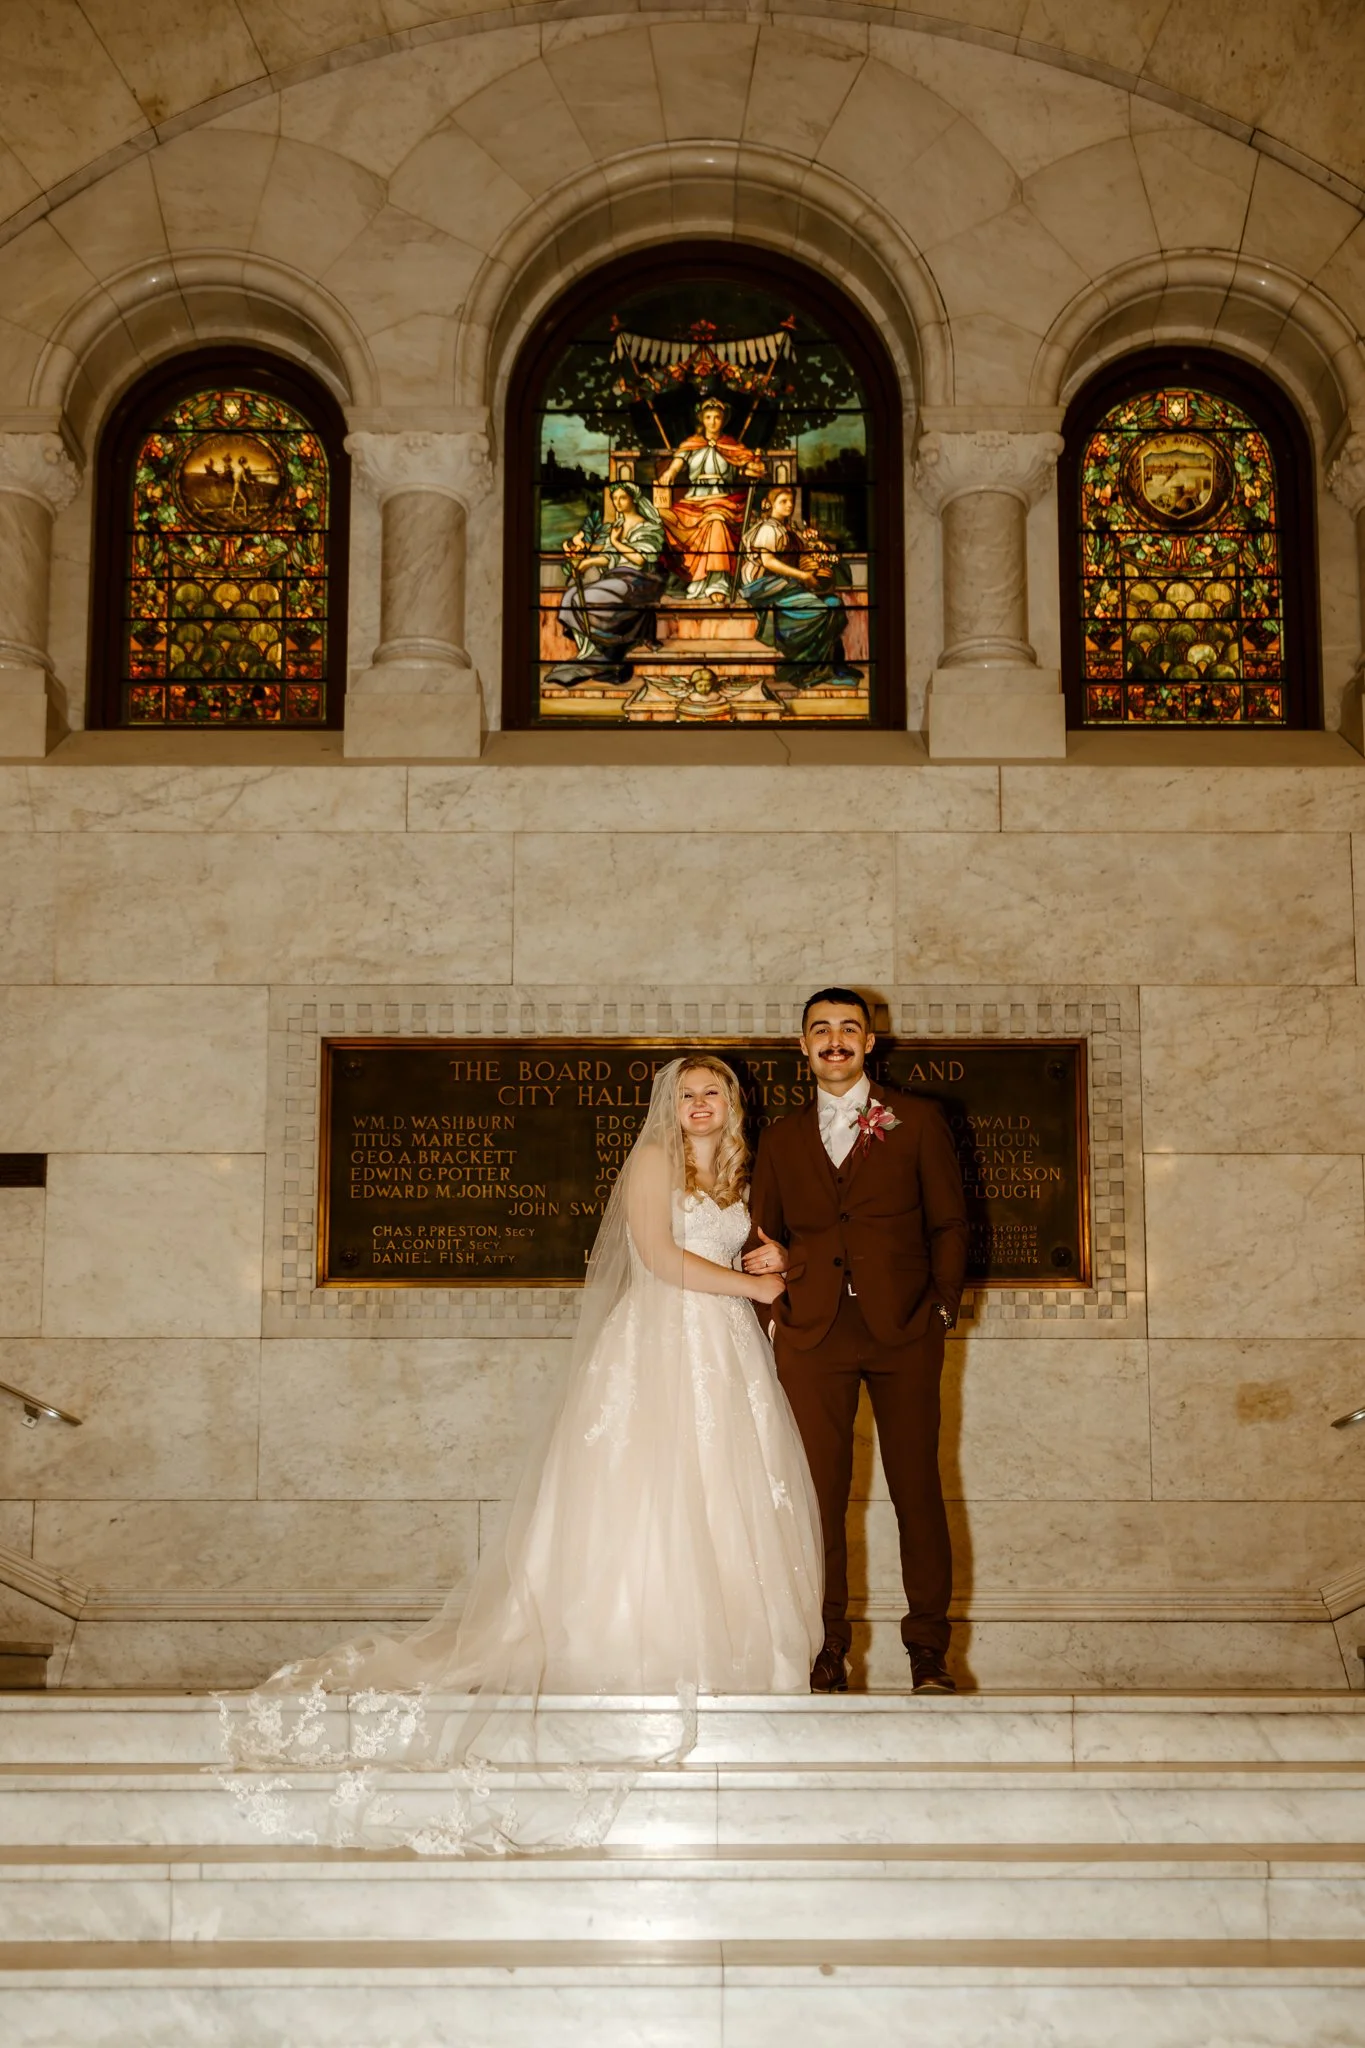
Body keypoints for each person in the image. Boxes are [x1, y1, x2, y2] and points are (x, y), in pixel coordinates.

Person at [221, 1056, 822, 1853]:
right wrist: (753, 1291)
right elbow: (656, 1256)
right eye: (686, 1094)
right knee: (646, 1493)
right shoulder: (651, 1161)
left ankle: (737, 1643)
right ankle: (626, 1639)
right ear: (668, 1108)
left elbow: (760, 1249)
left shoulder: (745, 1171)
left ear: (731, 1103)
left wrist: (770, 1266)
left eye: (712, 1092)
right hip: (658, 1347)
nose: (699, 1104)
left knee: (725, 1493)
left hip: (725, 1353)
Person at [743, 990, 968, 1694]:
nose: (834, 1040)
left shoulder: (919, 1122)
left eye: (848, 1029)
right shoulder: (778, 1138)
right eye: (820, 1030)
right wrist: (775, 1302)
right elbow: (764, 1233)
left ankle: (928, 1654)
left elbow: (950, 1225)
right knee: (816, 1497)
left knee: (916, 1492)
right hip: (813, 1335)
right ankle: (824, 1649)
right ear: (801, 1046)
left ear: (871, 1042)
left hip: (903, 1330)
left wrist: (938, 1309)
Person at [548, 479, 669, 686]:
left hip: (640, 581)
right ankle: (590, 650)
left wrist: (616, 542)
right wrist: (587, 562)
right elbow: (610, 558)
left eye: (623, 497)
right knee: (570, 597)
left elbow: (640, 559)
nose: (618, 502)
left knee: (590, 597)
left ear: (634, 499)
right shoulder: (616, 526)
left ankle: (604, 647)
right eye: (614, 498)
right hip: (615, 578)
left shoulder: (650, 527)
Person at [740, 486, 859, 685]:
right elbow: (769, 563)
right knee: (823, 610)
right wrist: (803, 576)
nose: (789, 505)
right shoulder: (768, 528)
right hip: (767, 588)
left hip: (788, 585)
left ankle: (829, 668)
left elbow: (802, 555)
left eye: (791, 501)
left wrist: (817, 545)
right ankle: (800, 668)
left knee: (835, 606)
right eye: (783, 501)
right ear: (770, 504)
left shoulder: (788, 528)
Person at [656, 398, 765, 600]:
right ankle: (686, 579)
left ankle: (717, 583)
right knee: (662, 518)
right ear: (701, 420)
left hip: (723, 501)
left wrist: (754, 468)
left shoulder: (732, 447)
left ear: (723, 420)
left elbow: (748, 466)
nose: (713, 421)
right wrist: (669, 474)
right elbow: (675, 466)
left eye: (717, 417)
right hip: (693, 502)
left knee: (716, 523)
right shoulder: (691, 445)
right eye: (708, 417)